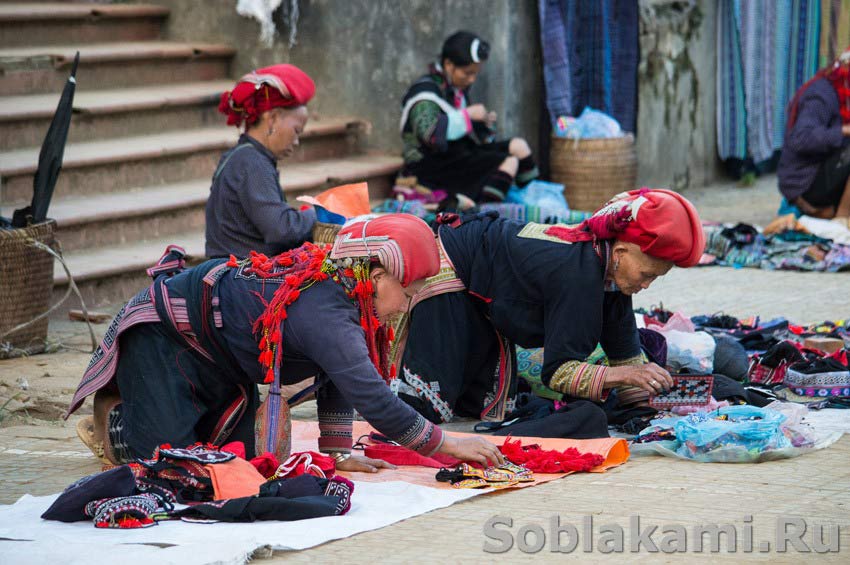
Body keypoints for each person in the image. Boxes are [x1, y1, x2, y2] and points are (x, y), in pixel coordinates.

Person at [68, 214, 503, 472]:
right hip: (163, 339)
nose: (405, 307)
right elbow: (372, 398)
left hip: (219, 361)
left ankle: (167, 415)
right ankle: (119, 421)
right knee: (171, 470)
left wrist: (337, 452)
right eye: (407, 294)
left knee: (243, 461)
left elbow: (340, 373)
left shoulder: (349, 297)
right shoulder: (327, 310)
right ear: (375, 274)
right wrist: (448, 443)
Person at [394, 189, 705, 428]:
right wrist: (626, 375)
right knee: (423, 410)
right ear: (621, 252)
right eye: (646, 275)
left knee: (478, 406)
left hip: (482, 284)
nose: (647, 285)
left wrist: (650, 414)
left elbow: (627, 357)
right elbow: (559, 373)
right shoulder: (578, 274)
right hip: (449, 269)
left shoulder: (612, 279)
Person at [399, 30, 539, 205]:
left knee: (519, 147)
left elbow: (479, 137)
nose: (472, 79)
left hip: (457, 155)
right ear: (449, 64)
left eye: (475, 73)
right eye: (467, 73)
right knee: (508, 162)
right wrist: (468, 116)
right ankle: (484, 212)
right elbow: (431, 135)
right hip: (428, 166)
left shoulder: (455, 91)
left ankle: (530, 196)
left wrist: (483, 123)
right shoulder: (425, 93)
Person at [206, 64, 318, 258]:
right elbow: (281, 229)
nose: (296, 141)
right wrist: (322, 214)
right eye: (296, 131)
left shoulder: (243, 157)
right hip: (240, 278)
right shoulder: (252, 164)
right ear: (273, 118)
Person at [778, 48, 850, 227]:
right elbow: (802, 138)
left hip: (825, 172)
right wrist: (844, 131)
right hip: (805, 183)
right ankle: (841, 220)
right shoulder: (821, 95)